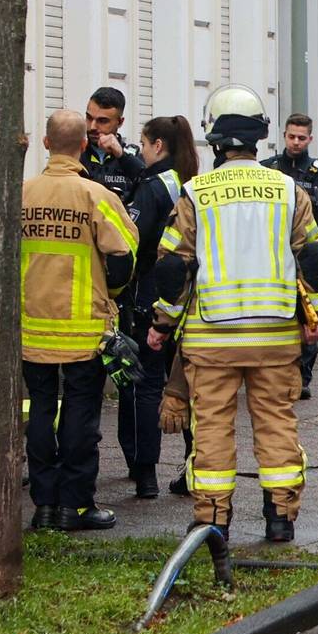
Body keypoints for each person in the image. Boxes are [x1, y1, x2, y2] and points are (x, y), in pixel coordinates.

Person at [149, 85, 318, 571]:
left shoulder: (195, 194)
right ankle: (280, 516)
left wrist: (162, 324)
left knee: (211, 427)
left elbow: (173, 268)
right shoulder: (289, 191)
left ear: (215, 140)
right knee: (275, 422)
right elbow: (313, 261)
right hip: (275, 337)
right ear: (259, 138)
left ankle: (213, 519)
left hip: (212, 339)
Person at [20, 110, 136, 531]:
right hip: (84, 330)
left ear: (46, 144)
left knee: (39, 411)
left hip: (31, 328)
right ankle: (76, 505)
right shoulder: (97, 197)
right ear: (83, 146)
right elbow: (124, 258)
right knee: (81, 418)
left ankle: (44, 505)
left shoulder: (22, 193)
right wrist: (113, 297)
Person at [118, 114, 199, 498]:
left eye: (144, 144)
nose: (141, 150)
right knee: (186, 386)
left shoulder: (152, 188)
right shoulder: (190, 182)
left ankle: (145, 472)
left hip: (152, 295)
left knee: (147, 383)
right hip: (191, 297)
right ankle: (192, 468)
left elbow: (132, 240)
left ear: (158, 146)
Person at [262, 113, 318, 400]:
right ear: (284, 135)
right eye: (291, 136)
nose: (296, 142)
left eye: (302, 138)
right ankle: (275, 371)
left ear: (310, 139)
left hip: (309, 257)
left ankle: (302, 375)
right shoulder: (269, 169)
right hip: (274, 256)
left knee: (310, 315)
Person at [81, 86, 144, 206]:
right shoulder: (76, 155)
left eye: (102, 121)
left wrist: (122, 156)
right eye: (89, 118)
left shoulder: (133, 158)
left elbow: (152, 187)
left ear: (120, 122)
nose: (92, 127)